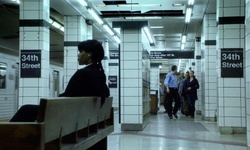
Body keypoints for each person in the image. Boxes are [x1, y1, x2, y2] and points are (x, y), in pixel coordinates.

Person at [10, 39, 110, 122]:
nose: (78, 55)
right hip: (83, 115)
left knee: (25, 109)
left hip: (70, 115)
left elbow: (67, 97)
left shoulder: (83, 73)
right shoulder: (99, 73)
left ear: (89, 54)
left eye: (80, 51)